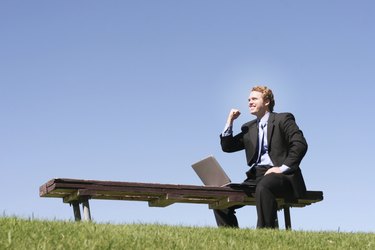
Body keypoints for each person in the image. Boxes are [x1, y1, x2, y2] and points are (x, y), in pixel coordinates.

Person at [214, 85, 308, 229]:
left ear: (266, 101)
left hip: (283, 176)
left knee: (264, 186)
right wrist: (230, 121)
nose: (249, 102)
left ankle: (265, 233)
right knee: (221, 198)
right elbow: (228, 147)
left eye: (254, 99)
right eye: (248, 100)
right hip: (256, 177)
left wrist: (281, 168)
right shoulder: (249, 128)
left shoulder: (283, 119)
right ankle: (230, 239)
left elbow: (300, 144)